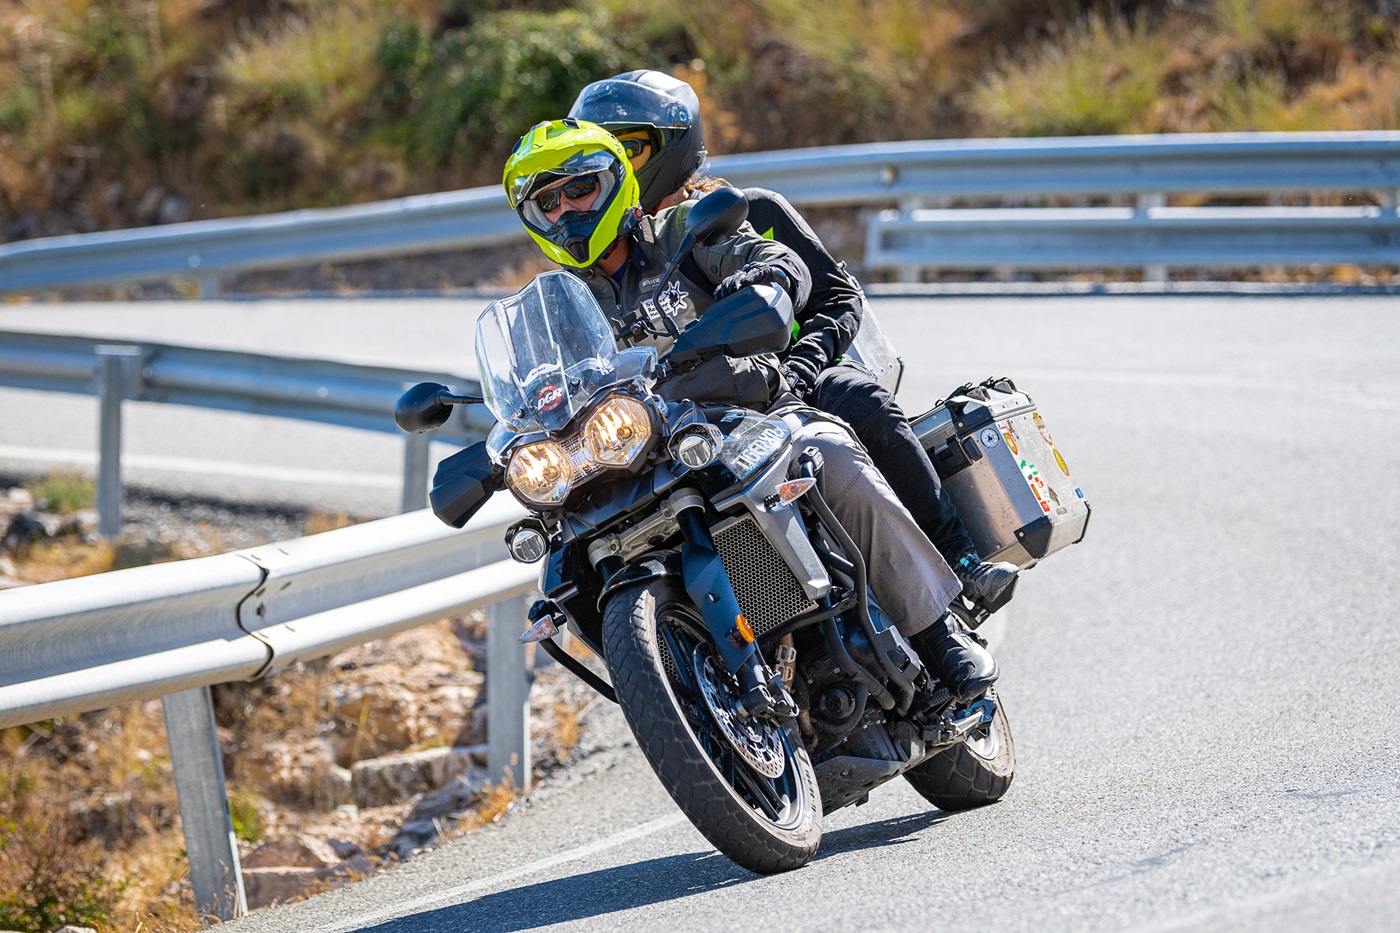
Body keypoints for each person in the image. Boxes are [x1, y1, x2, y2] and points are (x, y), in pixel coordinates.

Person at [502, 117, 996, 702]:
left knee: (828, 452)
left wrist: (766, 279)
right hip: (643, 459)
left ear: (615, 182)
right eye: (548, 203)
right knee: (565, 566)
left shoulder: (685, 230)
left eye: (579, 188)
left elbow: (767, 259)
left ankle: (938, 633)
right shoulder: (555, 313)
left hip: (748, 420)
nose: (566, 211)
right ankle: (682, 694)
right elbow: (532, 396)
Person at [567, 70, 1019, 609]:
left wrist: (802, 368)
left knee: (857, 399)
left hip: (788, 381)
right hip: (680, 423)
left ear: (675, 145)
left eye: (628, 148)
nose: (612, 163)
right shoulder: (596, 272)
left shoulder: (751, 210)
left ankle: (958, 559)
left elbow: (839, 298)